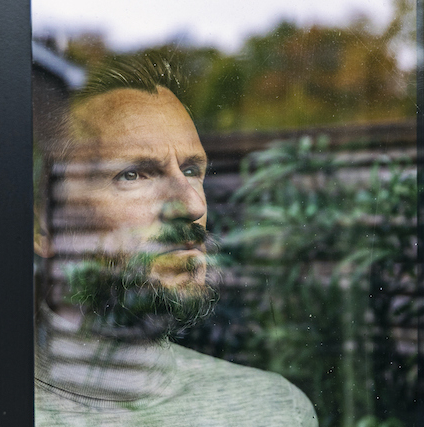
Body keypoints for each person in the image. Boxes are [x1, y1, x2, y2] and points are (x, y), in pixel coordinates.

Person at [32, 54, 318, 427]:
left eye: (191, 170)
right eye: (133, 175)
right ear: (42, 225)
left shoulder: (272, 411)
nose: (193, 204)